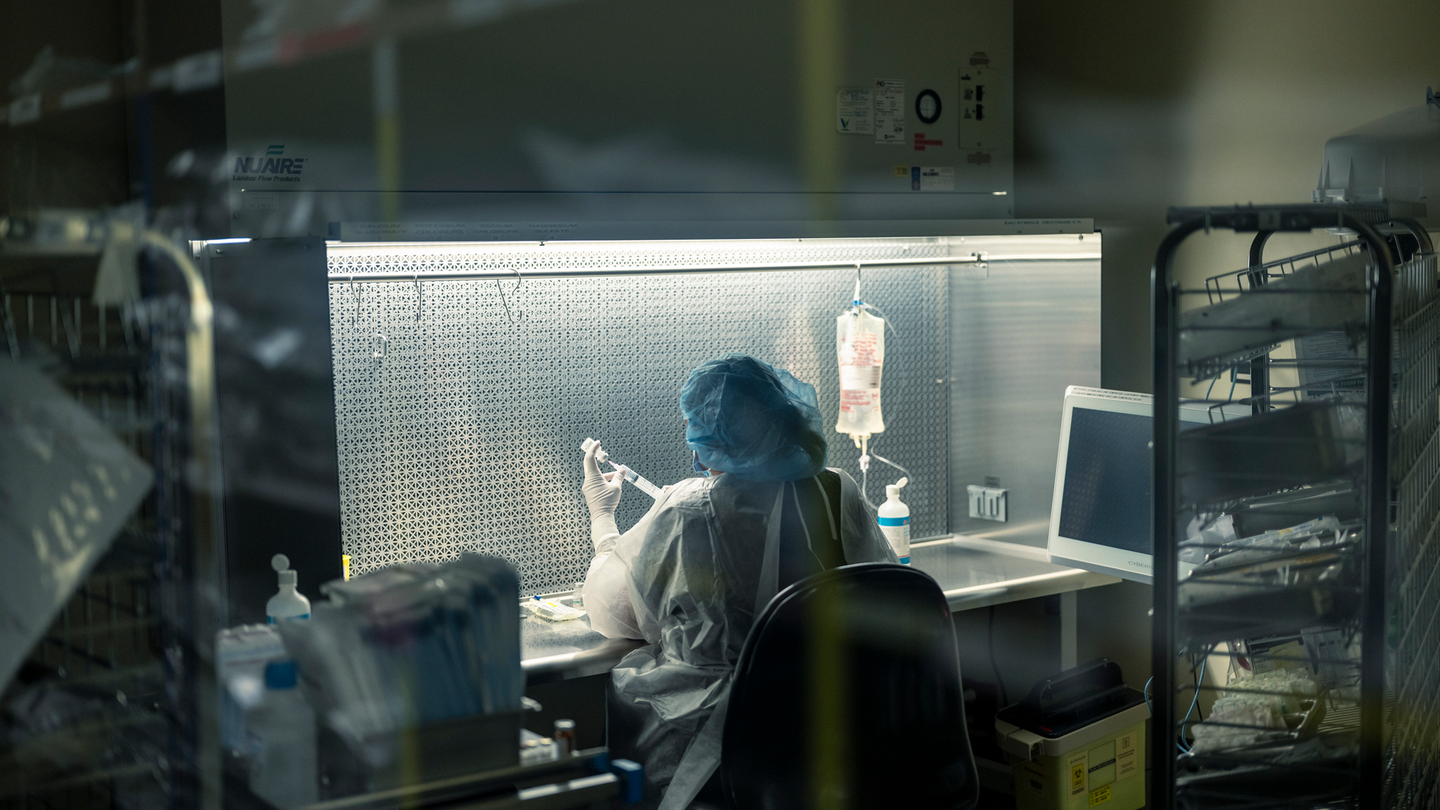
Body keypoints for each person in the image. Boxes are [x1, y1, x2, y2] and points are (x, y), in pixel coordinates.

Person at [579, 355, 897, 809]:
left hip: (718, 752)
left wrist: (603, 517)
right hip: (831, 737)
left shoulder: (686, 510)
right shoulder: (836, 491)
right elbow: (882, 586)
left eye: (700, 433)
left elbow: (616, 615)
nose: (693, 451)